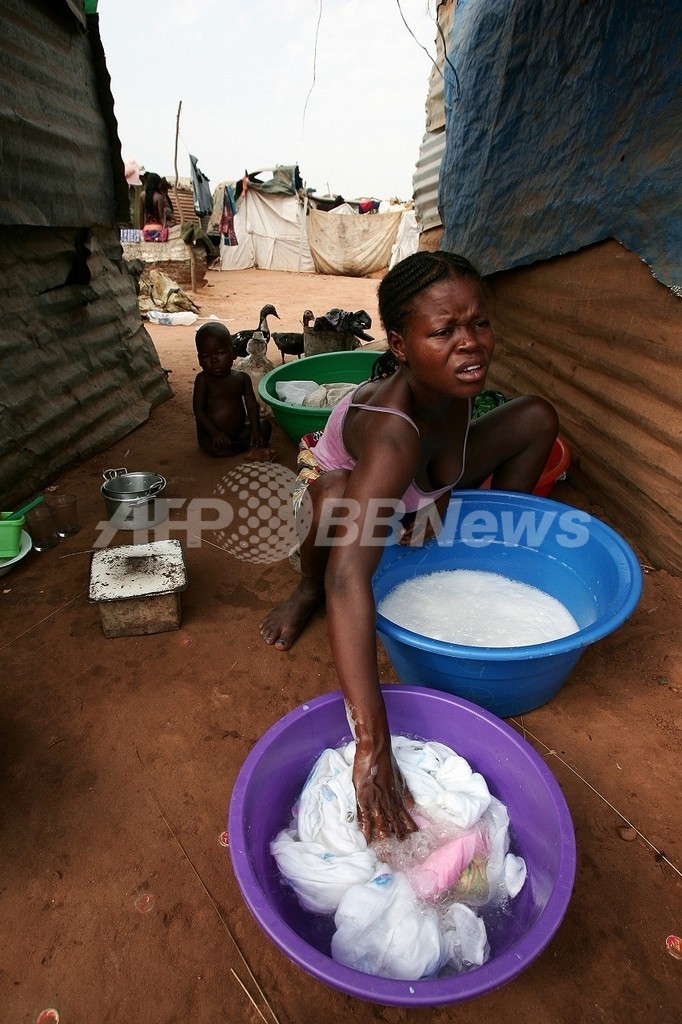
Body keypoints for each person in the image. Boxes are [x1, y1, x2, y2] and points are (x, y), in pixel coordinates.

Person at [260, 251, 559, 844]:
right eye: (444, 331)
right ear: (400, 344)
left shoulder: (457, 379)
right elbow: (349, 578)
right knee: (332, 500)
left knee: (535, 418)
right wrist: (371, 745)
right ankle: (301, 589)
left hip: (414, 484)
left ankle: (489, 542)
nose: (470, 344)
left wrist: (442, 495)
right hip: (351, 497)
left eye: (479, 323)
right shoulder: (393, 431)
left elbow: (461, 443)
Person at [192, 322, 274, 458]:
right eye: (206, 356)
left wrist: (254, 430)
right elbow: (199, 411)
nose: (214, 360)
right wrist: (215, 433)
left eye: (220, 353)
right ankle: (249, 447)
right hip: (213, 434)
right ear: (199, 360)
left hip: (239, 430)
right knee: (214, 447)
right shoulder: (203, 380)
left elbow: (252, 405)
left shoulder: (242, 378)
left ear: (234, 353)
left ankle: (244, 445)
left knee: (265, 427)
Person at [140, 173, 174, 241]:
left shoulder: (142, 196)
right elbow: (161, 217)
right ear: (158, 184)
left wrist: (141, 229)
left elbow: (141, 214)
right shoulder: (159, 197)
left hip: (146, 230)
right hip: (157, 229)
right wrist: (165, 231)